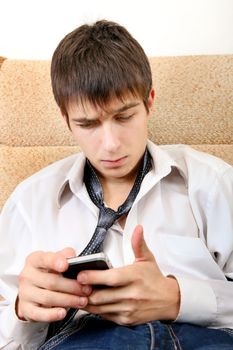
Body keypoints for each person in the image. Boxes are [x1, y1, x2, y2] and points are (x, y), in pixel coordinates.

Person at [0, 19, 233, 350]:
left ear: (149, 102)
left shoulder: (213, 183)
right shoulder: (29, 203)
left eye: (124, 117)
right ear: (65, 119)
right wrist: (24, 312)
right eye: (87, 123)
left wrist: (178, 298)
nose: (110, 144)